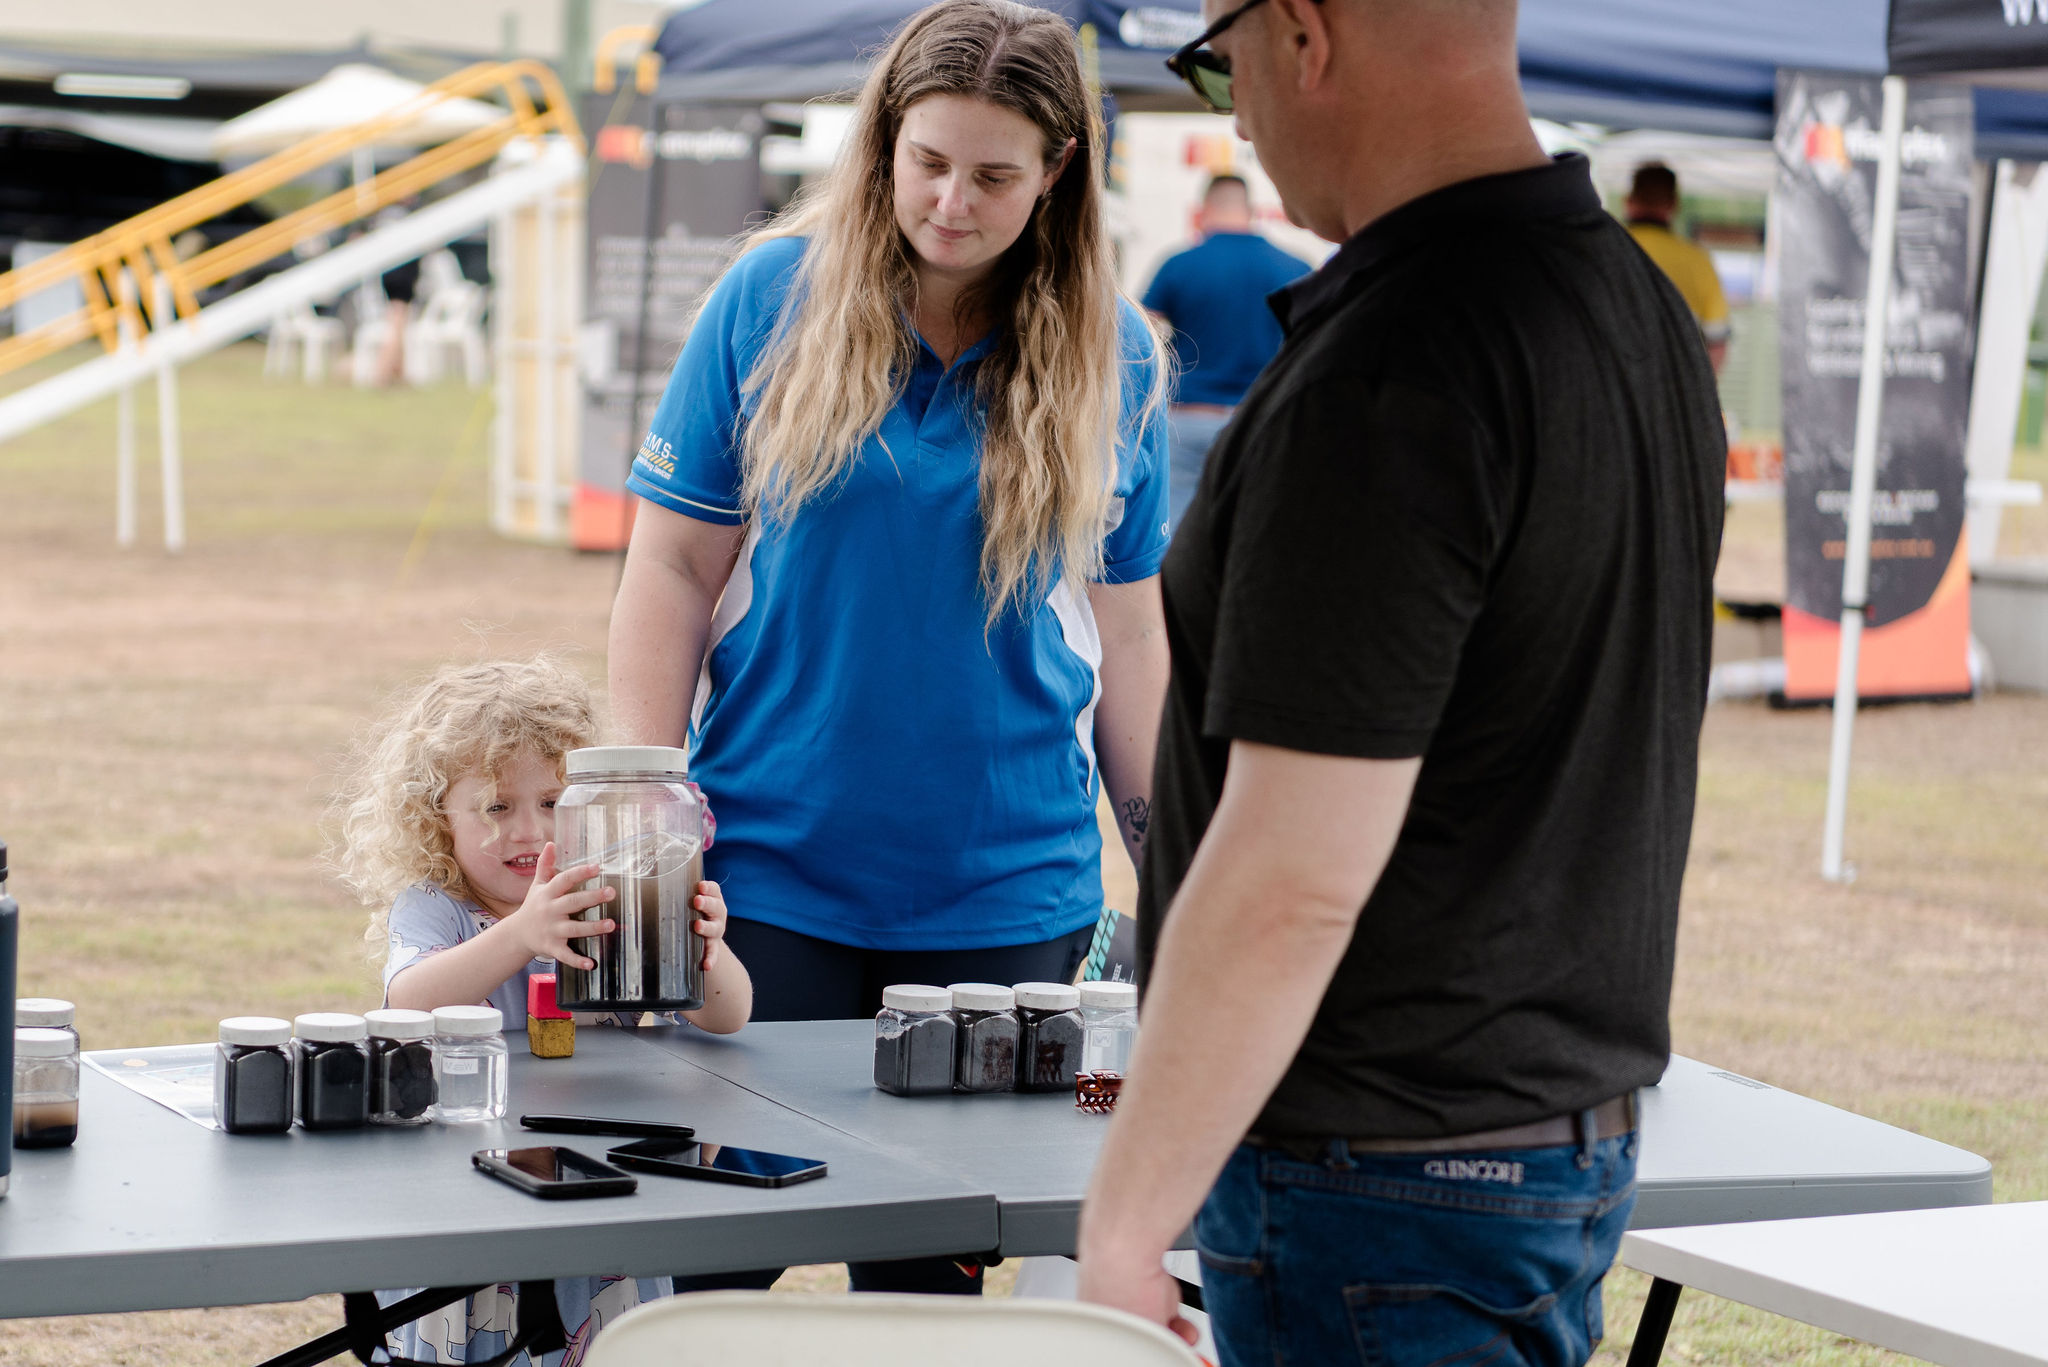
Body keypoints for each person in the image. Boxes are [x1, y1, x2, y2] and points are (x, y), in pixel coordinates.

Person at [1078, 1, 1725, 1364]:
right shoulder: (1636, 306)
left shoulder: (1388, 368)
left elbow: (1290, 876)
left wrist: (1126, 1221)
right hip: (1542, 1134)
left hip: (1376, 1170)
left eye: (1220, 66)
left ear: (1301, 36)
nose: (1237, 119)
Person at [609, 0, 1170, 1295]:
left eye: (994, 176)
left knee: (928, 1289)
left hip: (1006, 895)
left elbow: (1133, 635)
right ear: (882, 145)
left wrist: (1172, 863)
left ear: (1059, 170)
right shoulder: (768, 298)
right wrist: (642, 807)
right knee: (707, 1272)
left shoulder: (1118, 352)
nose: (952, 203)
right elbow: (672, 566)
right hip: (771, 874)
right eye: (927, 161)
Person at [332, 655, 753, 1363]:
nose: (529, 831)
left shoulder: (615, 898)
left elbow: (726, 1016)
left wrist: (705, 945)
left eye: (554, 802)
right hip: (472, 1198)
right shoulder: (437, 908)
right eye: (497, 807)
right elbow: (408, 1001)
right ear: (437, 818)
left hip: (605, 1188)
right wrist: (521, 934)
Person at [1141, 173, 1310, 530]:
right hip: (1263, 419)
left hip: (1188, 419)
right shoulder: (1295, 268)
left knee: (1175, 529)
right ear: (1250, 211)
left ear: (1204, 210)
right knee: (1254, 528)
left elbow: (1139, 338)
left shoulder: (1179, 264)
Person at [1625, 162, 1731, 373]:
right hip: (1671, 384)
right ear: (1674, 205)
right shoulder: (1698, 260)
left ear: (1628, 201)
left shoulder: (1602, 250)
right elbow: (1717, 343)